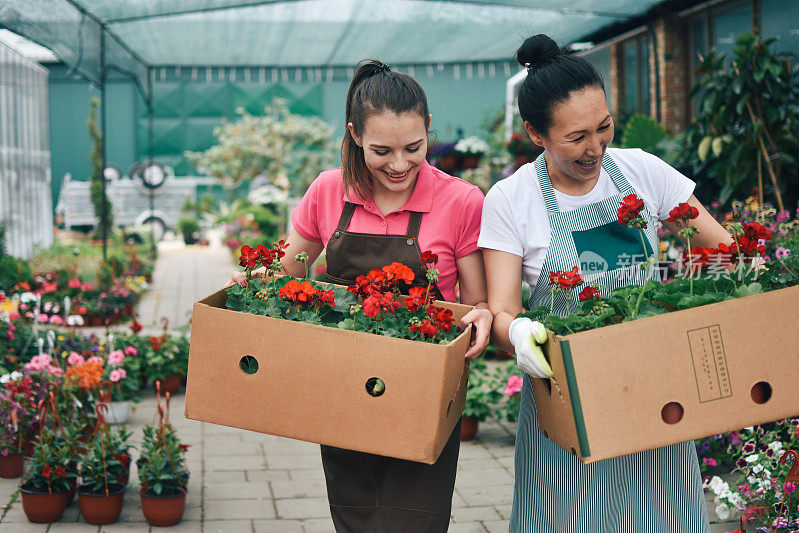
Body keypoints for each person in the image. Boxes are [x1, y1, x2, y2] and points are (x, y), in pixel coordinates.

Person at [478, 35, 733, 531]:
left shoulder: (642, 171)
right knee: (569, 517)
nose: (595, 147)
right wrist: (520, 335)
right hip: (569, 400)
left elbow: (721, 250)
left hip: (657, 392)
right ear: (535, 132)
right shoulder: (512, 200)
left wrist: (703, 300)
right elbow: (503, 308)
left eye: (604, 127)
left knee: (661, 514)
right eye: (577, 137)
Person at [229, 59, 492, 532]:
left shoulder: (461, 200)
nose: (399, 164)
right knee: (355, 518)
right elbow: (288, 269)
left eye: (414, 147)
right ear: (354, 134)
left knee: (413, 521)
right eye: (381, 150)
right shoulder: (330, 191)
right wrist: (248, 288)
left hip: (424, 391)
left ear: (429, 128)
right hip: (343, 385)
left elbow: (476, 303)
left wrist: (484, 318)